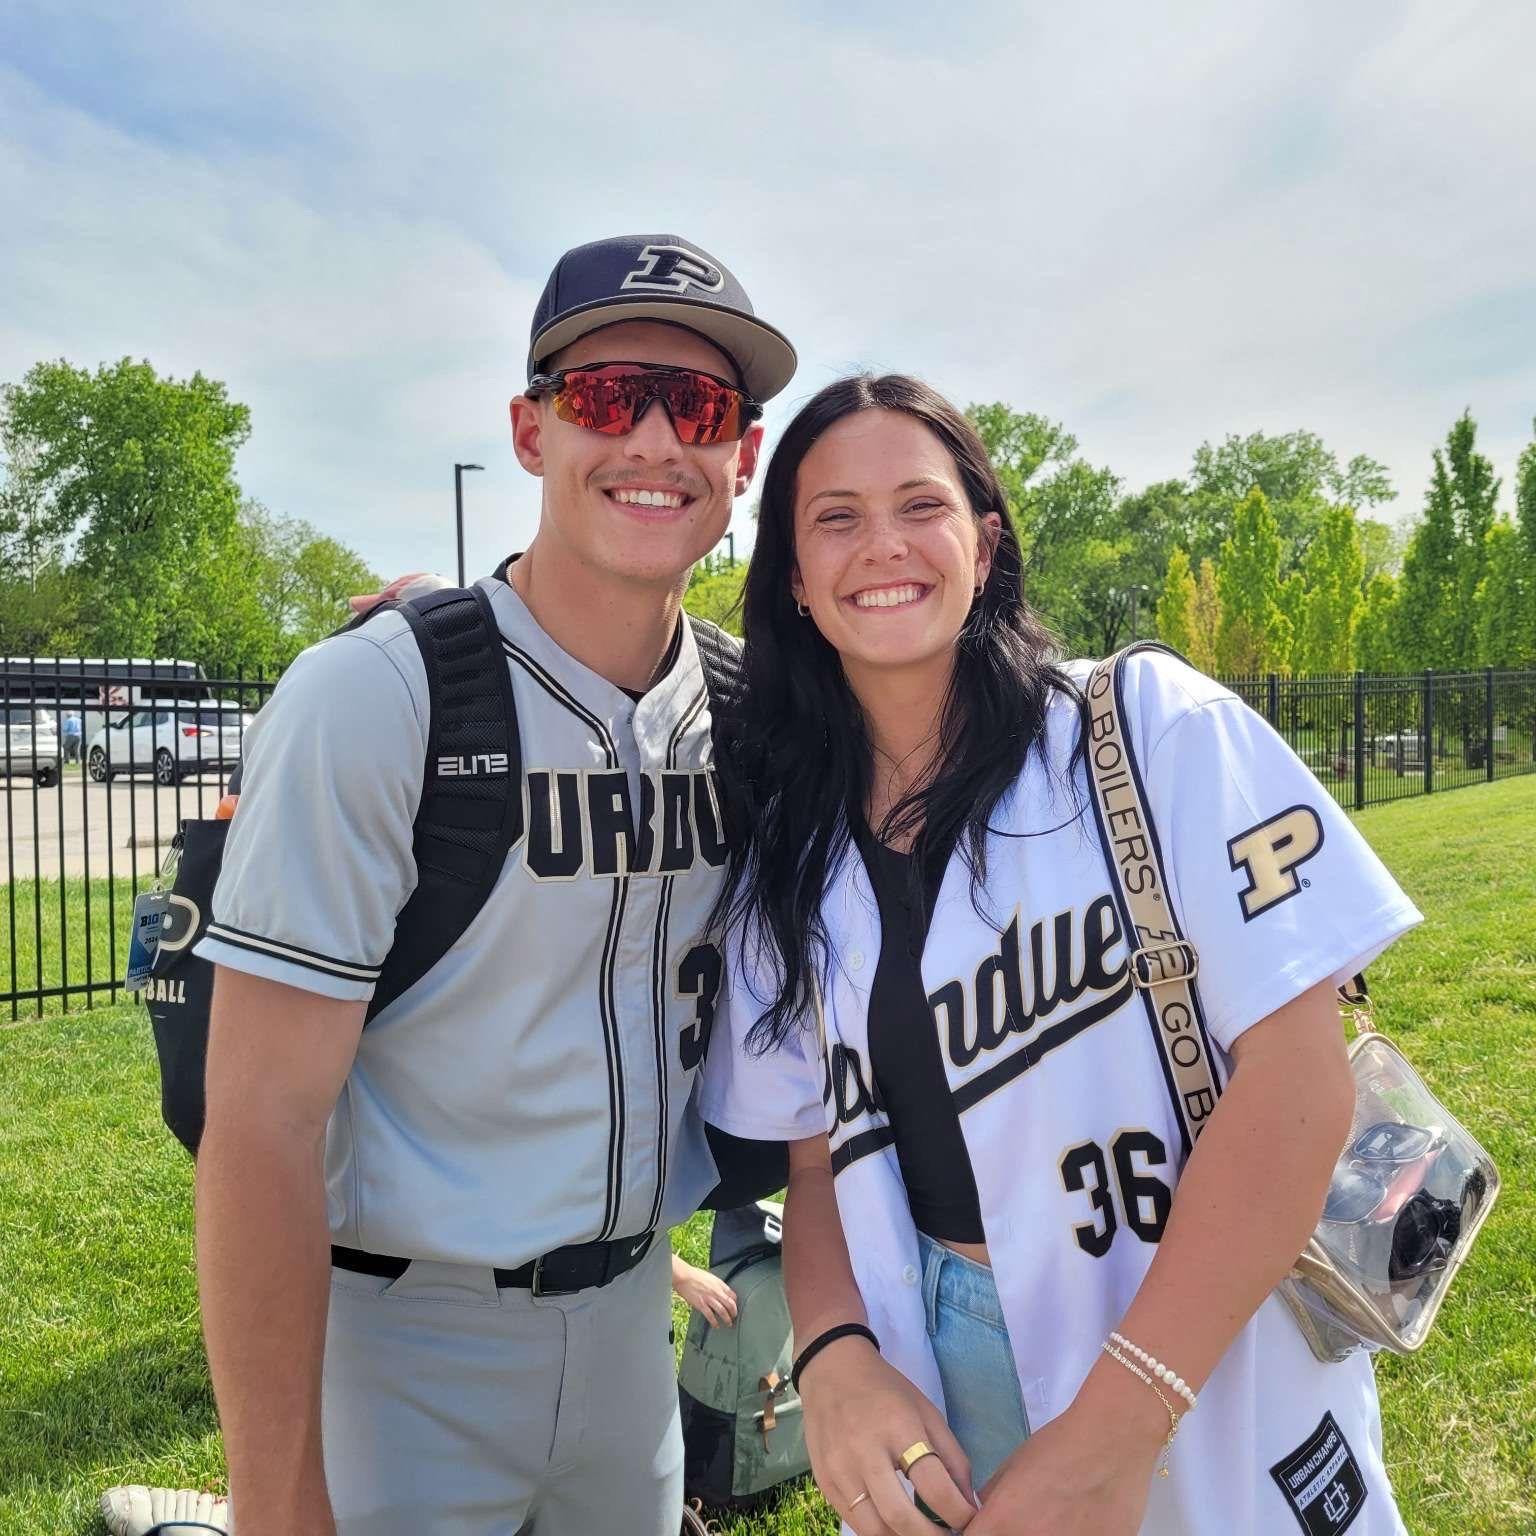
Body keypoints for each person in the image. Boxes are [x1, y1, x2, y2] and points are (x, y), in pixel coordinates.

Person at [697, 374, 1422, 1535]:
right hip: (931, 1354)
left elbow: (1300, 1085)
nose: (881, 545)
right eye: (834, 517)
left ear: (984, 543)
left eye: (919, 506)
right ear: (793, 576)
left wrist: (1118, 1428)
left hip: (1190, 1325)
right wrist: (834, 1354)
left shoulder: (1147, 729)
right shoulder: (790, 851)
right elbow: (817, 1163)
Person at [183, 234, 794, 1536]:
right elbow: (259, 1128)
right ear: (530, 431)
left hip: (631, 1319)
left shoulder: (751, 713)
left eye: (697, 407)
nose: (651, 439)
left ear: (741, 457)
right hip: (405, 1334)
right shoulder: (382, 694)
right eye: (601, 396)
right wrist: (276, 1497)